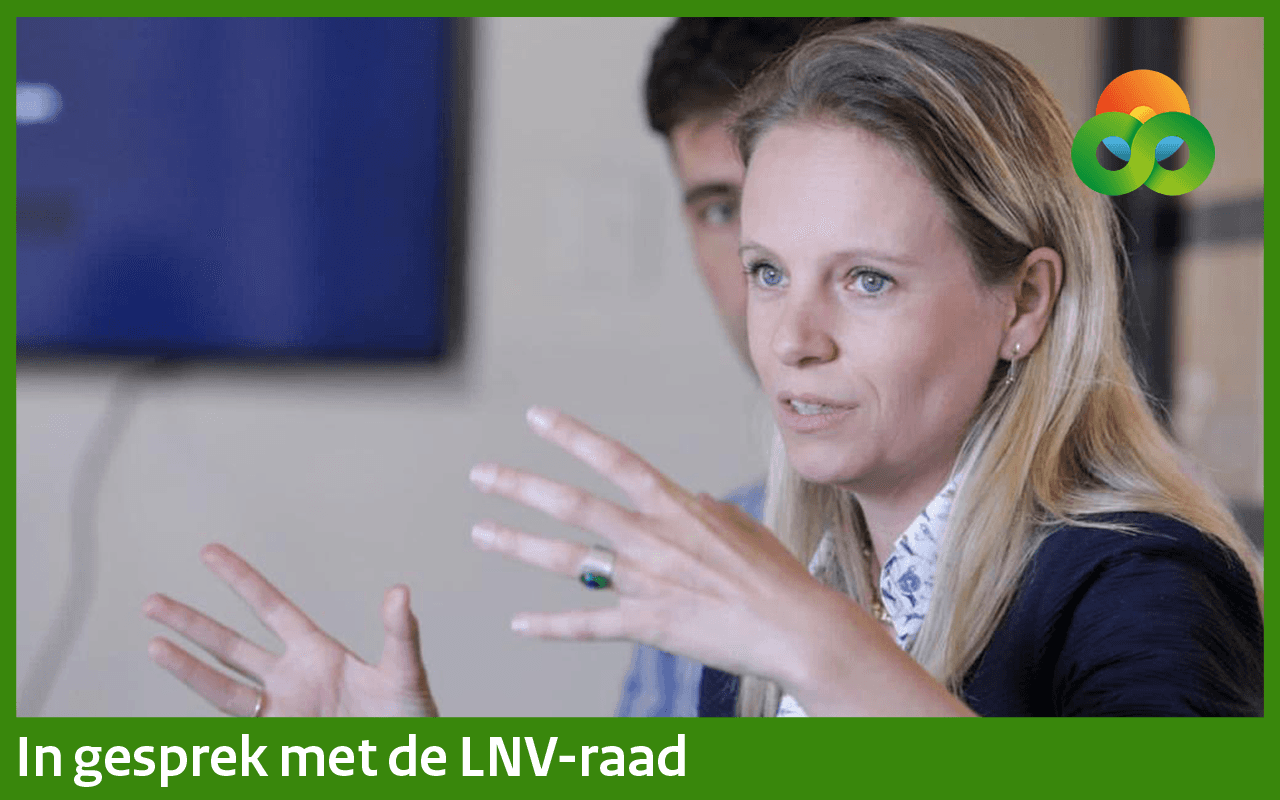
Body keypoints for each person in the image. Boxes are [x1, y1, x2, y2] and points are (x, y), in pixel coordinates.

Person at [148, 21, 1264, 716]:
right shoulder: (778, 592)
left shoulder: (1140, 583)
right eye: (767, 270)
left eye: (866, 279)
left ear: (1023, 303)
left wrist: (820, 650)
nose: (790, 336)